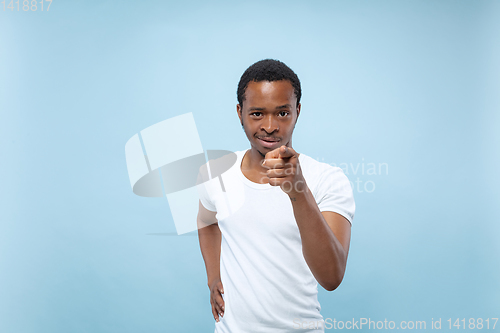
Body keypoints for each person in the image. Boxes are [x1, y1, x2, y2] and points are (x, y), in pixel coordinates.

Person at [196, 59, 355, 332]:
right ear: (239, 112)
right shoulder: (215, 173)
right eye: (257, 113)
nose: (270, 126)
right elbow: (206, 222)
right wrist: (213, 277)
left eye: (282, 114)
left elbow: (331, 277)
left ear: (297, 111)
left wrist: (298, 190)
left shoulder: (328, 179)